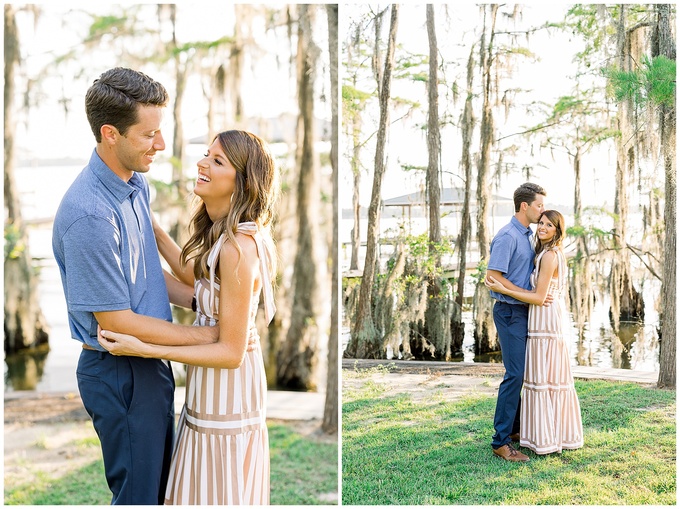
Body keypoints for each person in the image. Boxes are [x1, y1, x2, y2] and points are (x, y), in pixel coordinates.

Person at [52, 67, 218, 504]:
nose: (161, 145)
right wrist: (209, 337)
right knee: (139, 499)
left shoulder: (134, 185)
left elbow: (146, 277)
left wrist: (213, 303)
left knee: (160, 493)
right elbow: (118, 319)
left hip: (148, 364)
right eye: (149, 135)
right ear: (111, 133)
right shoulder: (89, 215)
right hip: (118, 371)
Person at [97, 129, 279, 505]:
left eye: (217, 161)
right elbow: (196, 280)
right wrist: (150, 228)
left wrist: (144, 347)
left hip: (228, 394)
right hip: (209, 390)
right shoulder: (222, 236)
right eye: (206, 154)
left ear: (242, 182)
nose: (202, 163)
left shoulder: (238, 249)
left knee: (214, 491)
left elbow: (231, 353)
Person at [486, 210, 584, 455]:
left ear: (557, 231)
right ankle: (526, 432)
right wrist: (501, 286)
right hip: (535, 317)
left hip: (544, 319)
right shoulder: (533, 246)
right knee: (537, 376)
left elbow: (540, 297)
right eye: (541, 222)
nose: (542, 226)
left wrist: (503, 289)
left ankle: (525, 435)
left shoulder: (550, 255)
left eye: (549, 224)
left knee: (541, 377)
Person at [486, 182, 546, 462]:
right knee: (514, 375)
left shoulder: (527, 235)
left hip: (524, 311)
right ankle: (500, 441)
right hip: (510, 312)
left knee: (523, 373)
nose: (542, 210)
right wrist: (527, 295)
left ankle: (514, 431)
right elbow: (494, 277)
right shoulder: (508, 236)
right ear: (525, 206)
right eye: (539, 205)